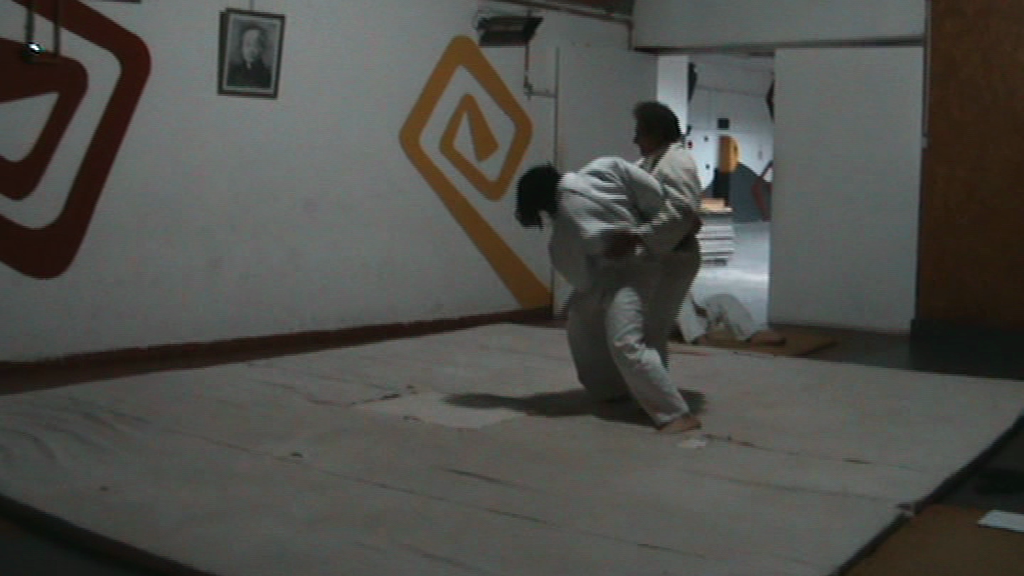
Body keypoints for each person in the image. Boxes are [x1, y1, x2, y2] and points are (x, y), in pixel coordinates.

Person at [515, 158, 702, 433]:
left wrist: (644, 236)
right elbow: (653, 192)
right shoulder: (604, 168)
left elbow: (580, 277)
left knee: (626, 342)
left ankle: (676, 414)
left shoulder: (566, 224)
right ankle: (612, 390)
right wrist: (670, 226)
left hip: (632, 272)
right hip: (652, 258)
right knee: (581, 321)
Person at [630, 101, 705, 374]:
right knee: (641, 329)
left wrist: (639, 236)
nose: (635, 140)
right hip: (659, 256)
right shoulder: (649, 163)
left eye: (640, 132)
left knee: (651, 330)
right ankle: (647, 386)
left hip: (675, 257)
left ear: (657, 133)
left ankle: (656, 391)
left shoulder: (677, 162)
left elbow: (682, 212)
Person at [677, 292, 786, 346]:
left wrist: (701, 311)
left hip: (688, 321)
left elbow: (692, 306)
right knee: (680, 299)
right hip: (672, 326)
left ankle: (751, 333)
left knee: (724, 299)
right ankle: (698, 339)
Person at [227, 24, 272, 88]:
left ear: (262, 48)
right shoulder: (232, 72)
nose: (251, 50)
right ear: (241, 47)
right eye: (247, 44)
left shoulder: (268, 75)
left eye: (256, 45)